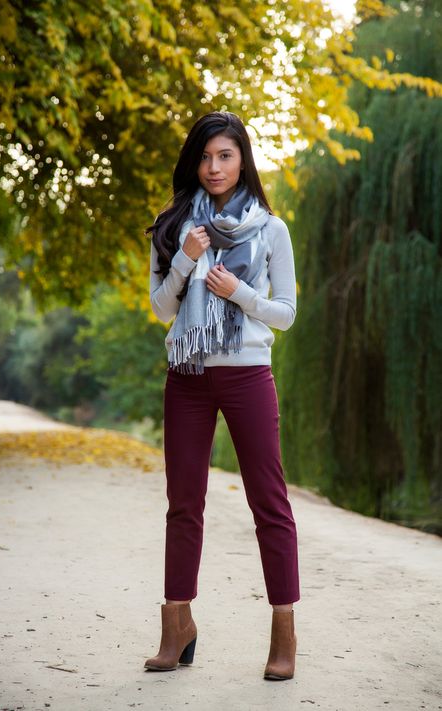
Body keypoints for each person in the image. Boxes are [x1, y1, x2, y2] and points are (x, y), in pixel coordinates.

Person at [144, 111, 300, 680]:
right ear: (195, 160)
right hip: (186, 374)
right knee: (184, 504)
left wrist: (239, 293)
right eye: (206, 157)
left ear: (242, 160)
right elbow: (162, 308)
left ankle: (283, 632)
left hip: (246, 373)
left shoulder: (270, 229)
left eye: (225, 157)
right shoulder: (171, 225)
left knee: (270, 503)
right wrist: (185, 256)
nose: (214, 168)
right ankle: (176, 624)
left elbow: (284, 313)